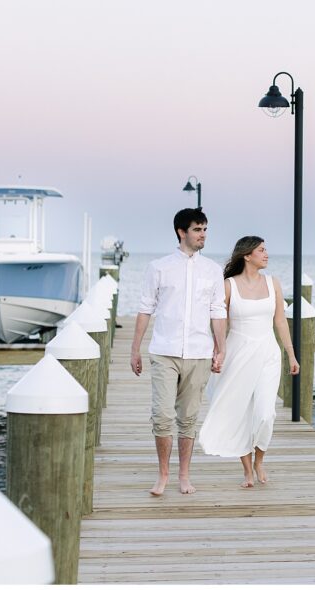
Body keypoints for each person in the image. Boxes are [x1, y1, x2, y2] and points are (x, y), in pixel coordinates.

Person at [130, 208, 227, 496]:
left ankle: (184, 475)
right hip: (164, 351)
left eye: (205, 229)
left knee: (188, 417)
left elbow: (217, 311)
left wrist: (221, 349)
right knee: (161, 415)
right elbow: (145, 309)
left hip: (199, 352)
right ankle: (163, 474)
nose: (203, 235)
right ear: (181, 232)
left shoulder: (212, 270)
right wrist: (135, 349)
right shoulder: (159, 267)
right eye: (198, 229)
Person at [199, 236, 299, 488]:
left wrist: (291, 354)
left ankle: (259, 460)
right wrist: (217, 351)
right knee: (239, 411)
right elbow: (218, 320)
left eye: (266, 249)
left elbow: (280, 321)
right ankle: (246, 469)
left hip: (268, 353)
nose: (266, 254)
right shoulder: (228, 285)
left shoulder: (272, 283)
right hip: (238, 354)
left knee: (266, 413)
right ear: (247, 255)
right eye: (261, 250)